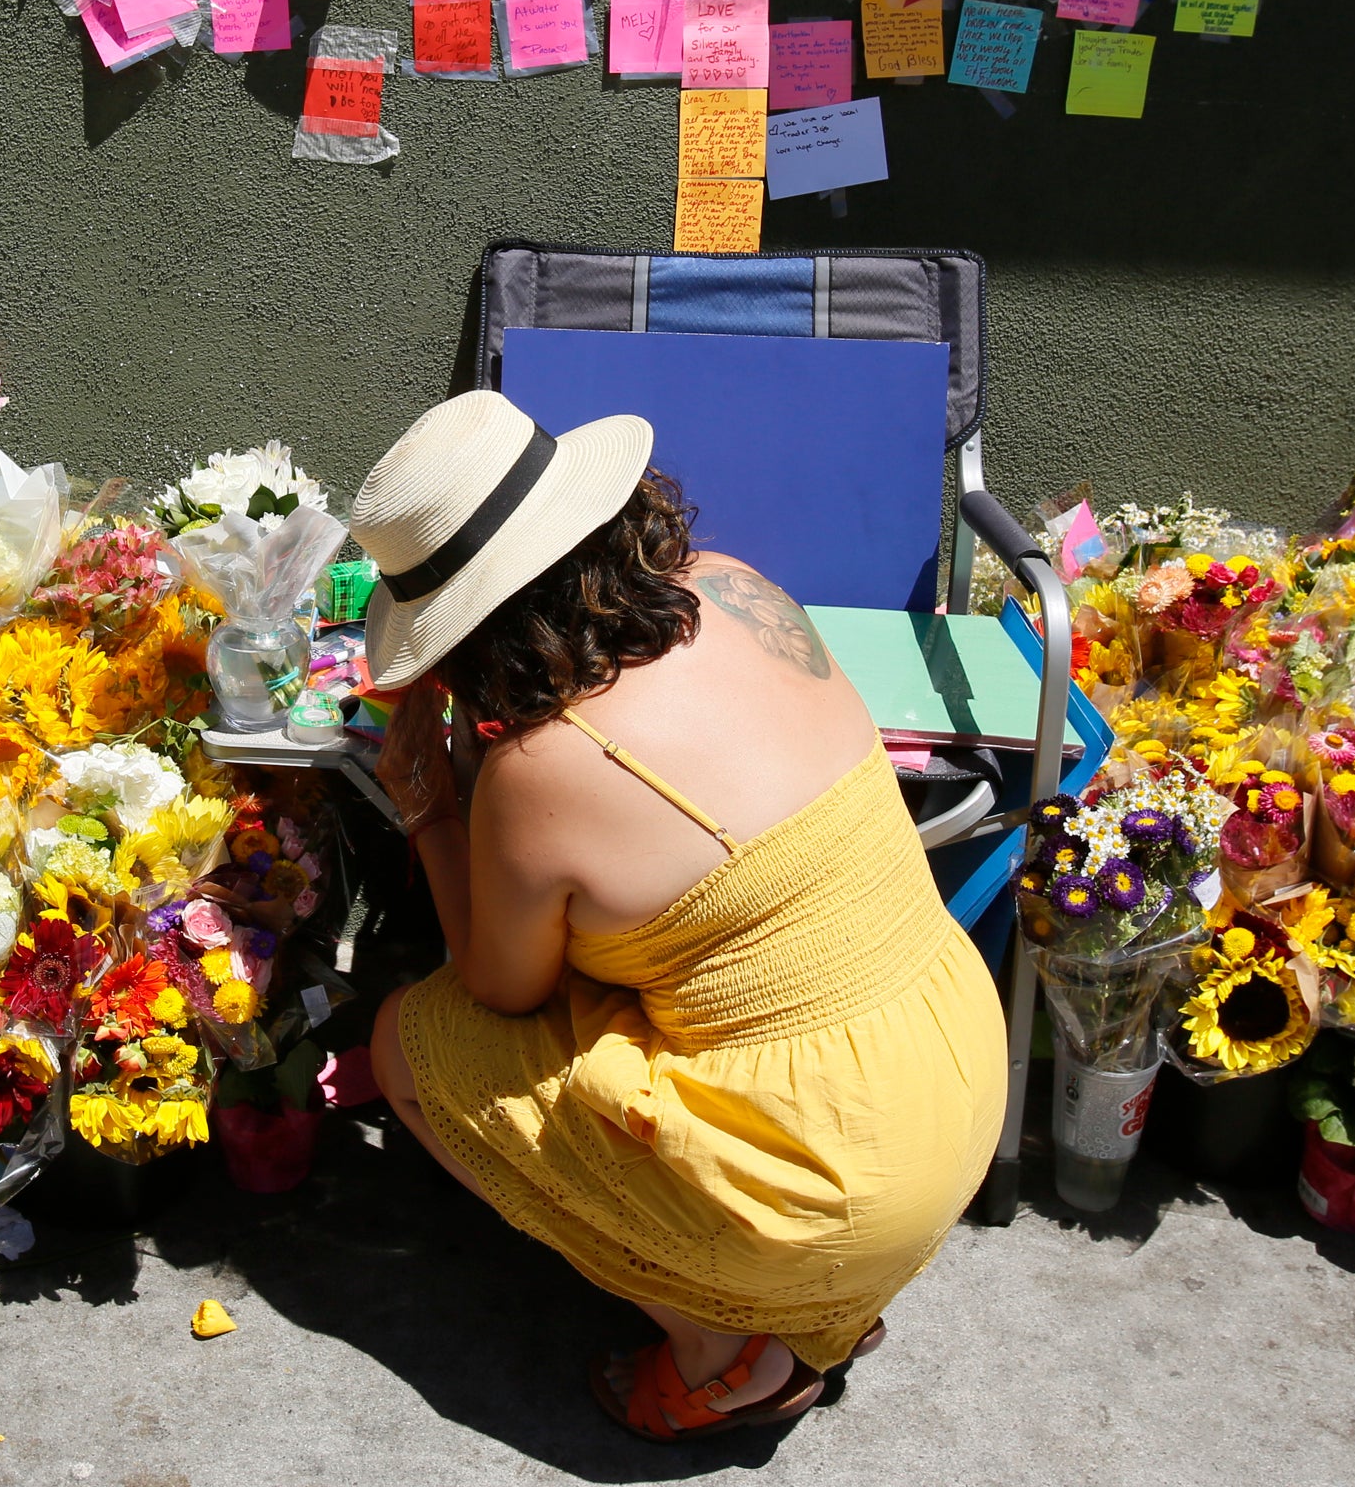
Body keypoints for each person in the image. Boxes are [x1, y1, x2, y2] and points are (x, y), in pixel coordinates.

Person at [352, 391, 1008, 1443]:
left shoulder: (543, 769)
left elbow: (498, 984)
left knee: (410, 1045)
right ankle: (821, 1292)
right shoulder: (736, 584)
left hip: (822, 1169)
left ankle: (730, 1342)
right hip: (954, 1061)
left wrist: (431, 805)